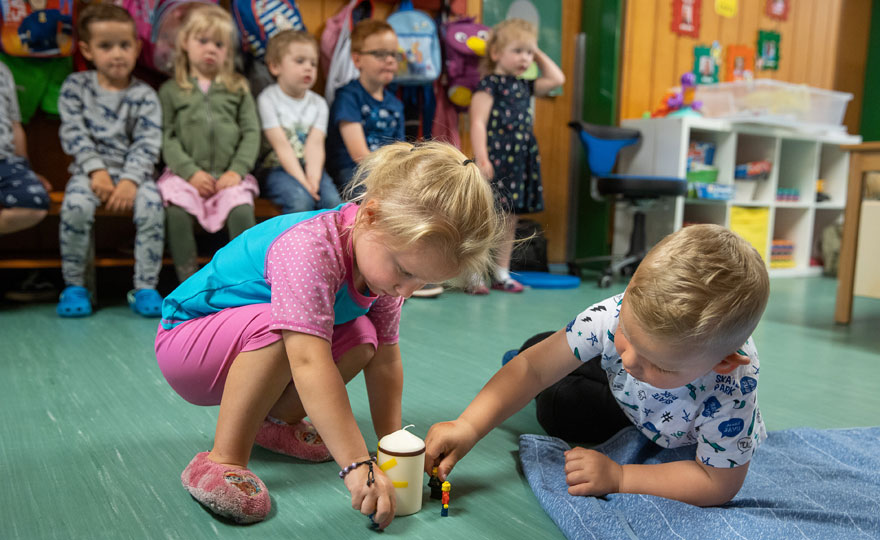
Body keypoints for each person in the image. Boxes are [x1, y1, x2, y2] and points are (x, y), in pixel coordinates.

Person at [154, 141, 503, 527]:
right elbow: (307, 361)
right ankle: (223, 459)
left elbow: (386, 361)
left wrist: (392, 448)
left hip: (246, 343)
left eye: (423, 281)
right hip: (184, 343)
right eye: (405, 272)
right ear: (370, 216)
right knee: (284, 326)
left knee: (363, 336)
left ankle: (274, 424)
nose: (408, 291)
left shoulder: (382, 267)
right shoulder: (310, 248)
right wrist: (357, 465)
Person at [425, 224, 770, 507]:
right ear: (631, 290)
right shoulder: (616, 314)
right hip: (622, 388)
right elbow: (534, 368)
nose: (632, 360)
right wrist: (468, 425)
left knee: (558, 407)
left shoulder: (734, 389)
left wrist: (621, 477)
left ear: (723, 363)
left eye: (659, 365)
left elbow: (716, 483)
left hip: (646, 415)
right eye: (627, 334)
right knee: (533, 351)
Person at [56, 3, 164, 317]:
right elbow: (73, 134)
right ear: (87, 50)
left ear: (137, 47)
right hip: (89, 175)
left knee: (153, 206)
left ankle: (145, 287)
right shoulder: (75, 88)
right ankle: (75, 285)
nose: (117, 53)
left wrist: (130, 180)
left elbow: (148, 141)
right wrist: (97, 172)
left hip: (136, 176)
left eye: (124, 45)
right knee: (75, 206)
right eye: (106, 46)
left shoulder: (145, 95)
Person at [157, 5, 260, 283]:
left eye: (219, 44)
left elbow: (251, 132)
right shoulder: (171, 90)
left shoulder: (237, 87)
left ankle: (243, 280)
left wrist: (236, 171)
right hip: (186, 176)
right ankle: (187, 282)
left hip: (229, 175)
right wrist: (190, 172)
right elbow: (166, 136)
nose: (211, 49)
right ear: (185, 44)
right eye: (203, 41)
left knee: (242, 210)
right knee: (176, 212)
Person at [468, 18, 564, 294]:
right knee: (485, 216)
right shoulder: (489, 85)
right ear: (496, 53)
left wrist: (537, 51)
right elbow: (477, 123)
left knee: (510, 218)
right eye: (518, 50)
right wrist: (482, 157)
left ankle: (501, 272)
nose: (525, 58)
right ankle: (474, 274)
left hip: (521, 160)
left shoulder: (526, 85)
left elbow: (558, 79)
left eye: (529, 52)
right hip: (496, 158)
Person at [257, 29, 341, 214]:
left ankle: (327, 243)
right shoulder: (268, 99)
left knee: (333, 202)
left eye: (313, 63)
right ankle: (294, 243)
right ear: (275, 66)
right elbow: (281, 146)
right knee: (300, 200)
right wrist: (304, 183)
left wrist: (313, 180)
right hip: (277, 168)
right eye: (300, 61)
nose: (309, 68)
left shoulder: (319, 104)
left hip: (311, 168)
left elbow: (315, 144)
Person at [325, 20, 404, 193]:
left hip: (386, 172)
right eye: (380, 54)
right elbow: (359, 154)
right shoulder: (348, 97)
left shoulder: (396, 104)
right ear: (357, 59)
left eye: (394, 54)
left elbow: (401, 150)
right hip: (352, 171)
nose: (390, 60)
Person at [0, 60, 51, 236]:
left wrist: (24, 168)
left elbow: (15, 125)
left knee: (33, 203)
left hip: (5, 162)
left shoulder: (3, 71)